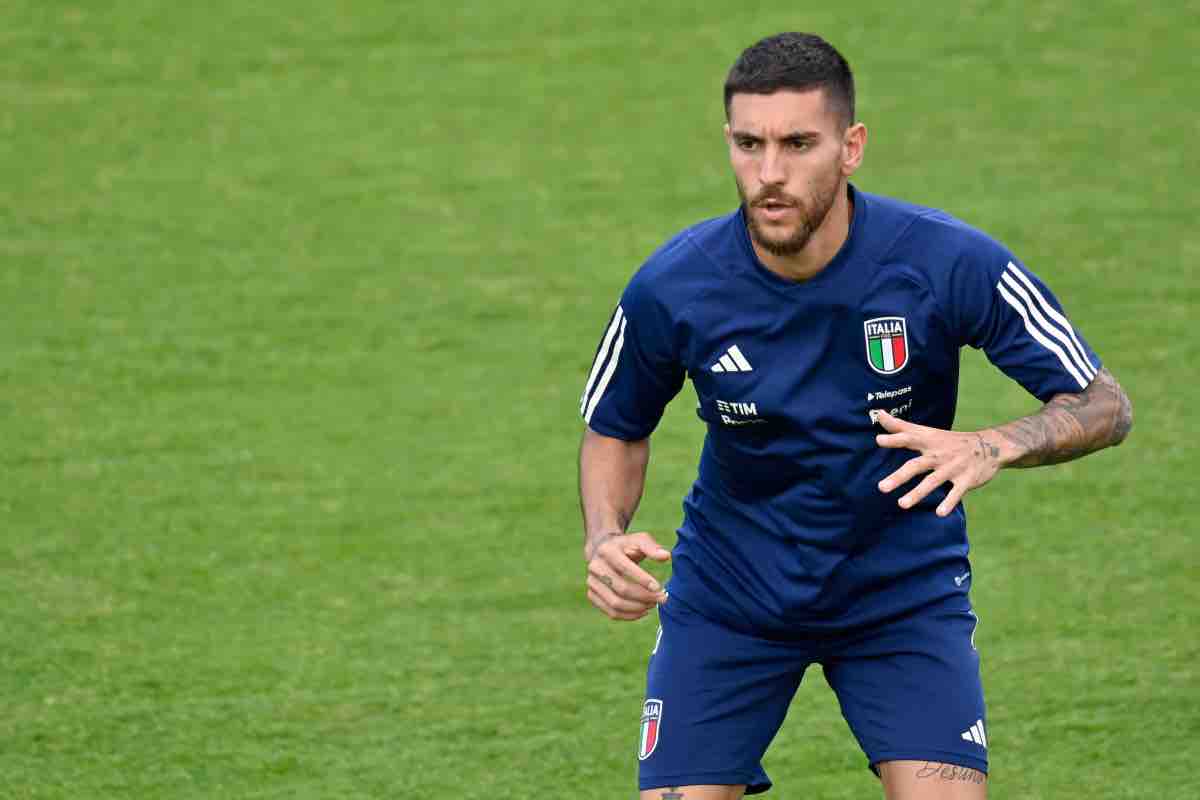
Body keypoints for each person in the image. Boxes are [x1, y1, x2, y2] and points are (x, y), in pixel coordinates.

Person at [576, 32, 1133, 800]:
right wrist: (605, 537)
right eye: (749, 144)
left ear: (851, 146)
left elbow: (1104, 401)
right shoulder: (674, 285)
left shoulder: (945, 263)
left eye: (799, 144)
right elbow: (616, 423)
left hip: (899, 597)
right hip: (729, 598)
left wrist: (995, 444)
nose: (770, 174)